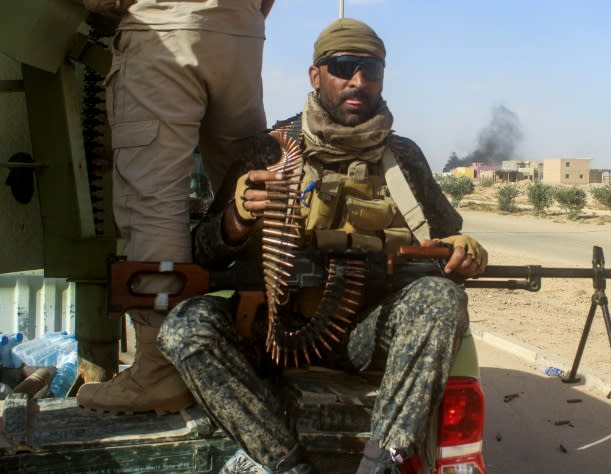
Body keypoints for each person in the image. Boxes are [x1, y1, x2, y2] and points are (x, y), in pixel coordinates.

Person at [156, 18, 488, 473]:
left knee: (440, 299)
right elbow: (203, 253)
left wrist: (461, 249)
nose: (358, 81)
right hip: (279, 331)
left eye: (371, 70)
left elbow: (445, 238)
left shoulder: (404, 156)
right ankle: (285, 464)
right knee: (185, 327)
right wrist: (237, 219)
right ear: (316, 76)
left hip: (366, 331)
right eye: (343, 67)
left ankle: (381, 463)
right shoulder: (271, 150)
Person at [76, 1, 276, 415]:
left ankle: (158, 370)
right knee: (248, 188)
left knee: (153, 202)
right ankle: (263, 337)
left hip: (162, 27)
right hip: (242, 32)